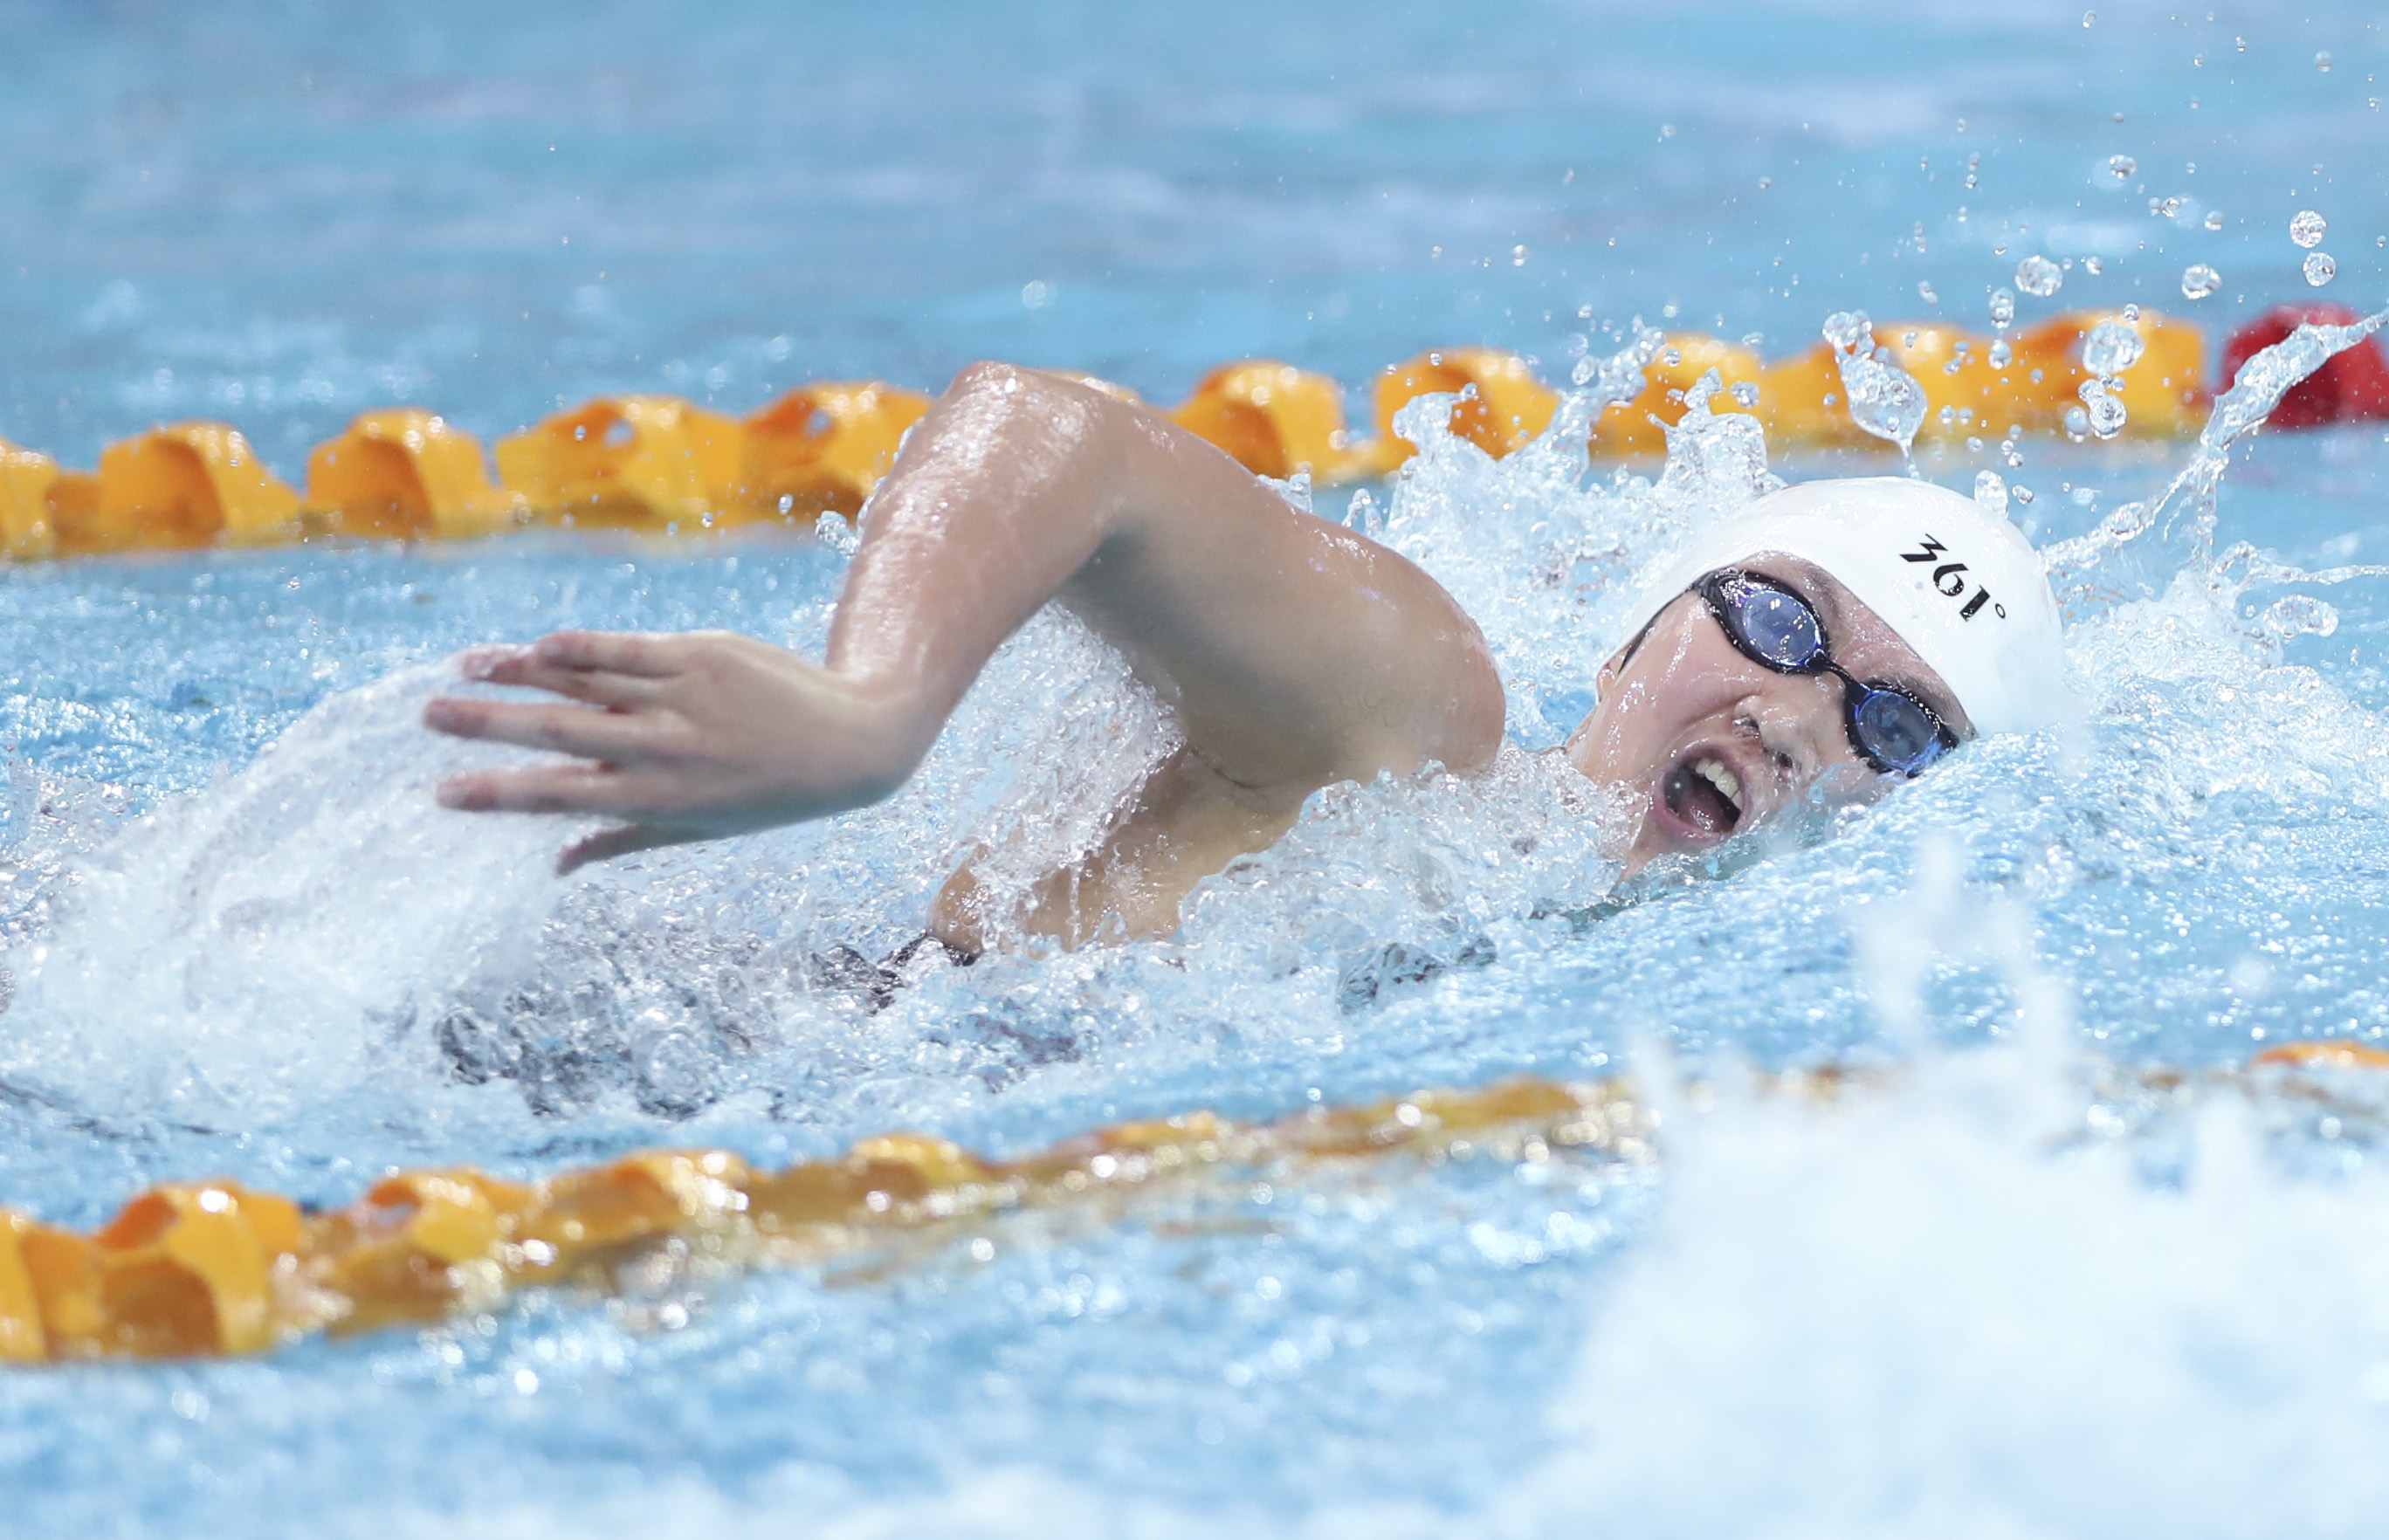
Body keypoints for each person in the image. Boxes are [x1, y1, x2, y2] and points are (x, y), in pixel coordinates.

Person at [423, 362, 2068, 954]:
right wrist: (875, 715)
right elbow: (1057, 433)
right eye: (1778, 620)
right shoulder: (1416, 726)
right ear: (1649, 619)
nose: (1794, 711)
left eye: (1898, 725)